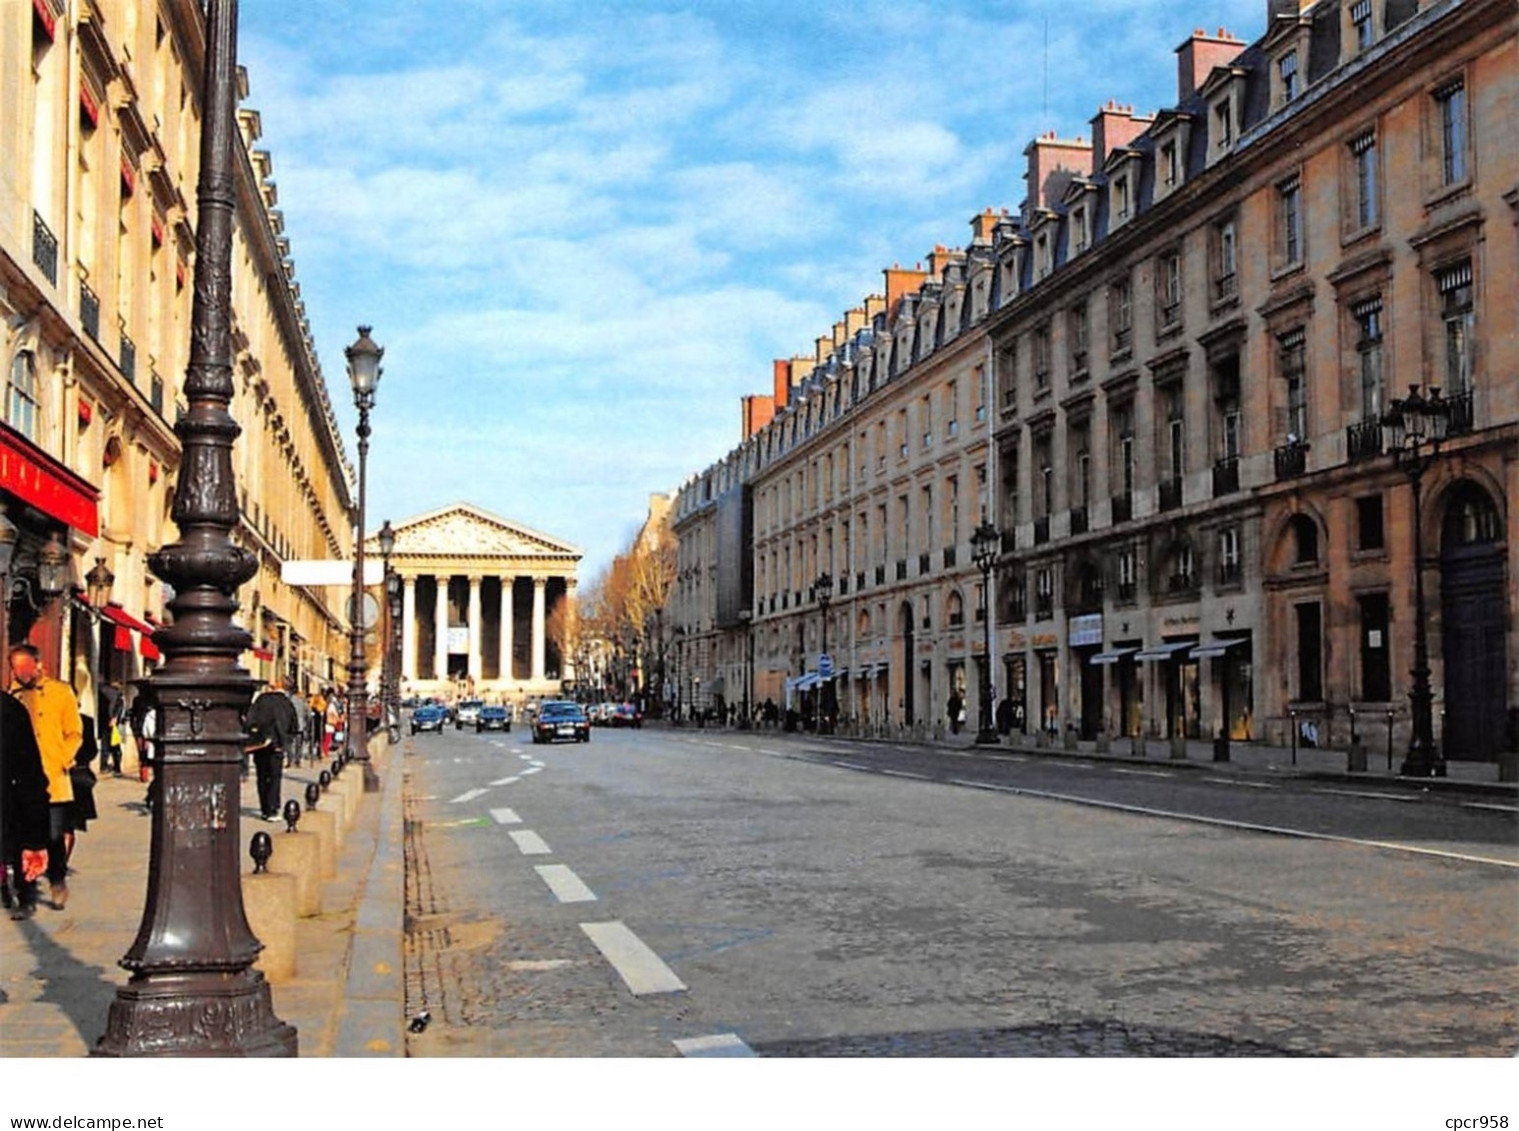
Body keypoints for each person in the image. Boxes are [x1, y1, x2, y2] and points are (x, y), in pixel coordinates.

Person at [8, 643, 83, 910]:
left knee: (53, 835)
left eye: (24, 666)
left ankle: (57, 877)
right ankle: (26, 894)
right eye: (15, 668)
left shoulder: (61, 693)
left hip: (54, 777)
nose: (20, 673)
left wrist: (62, 758)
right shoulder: (13, 697)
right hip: (20, 782)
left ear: (38, 664)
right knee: (21, 837)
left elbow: (75, 732)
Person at [1, 689, 52, 919]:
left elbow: (29, 776)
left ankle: (26, 896)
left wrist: (34, 840)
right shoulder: (11, 708)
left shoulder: (9, 711)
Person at [244, 680, 299, 822]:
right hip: (277, 745)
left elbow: (250, 720)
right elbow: (294, 725)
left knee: (262, 776)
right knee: (275, 777)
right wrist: (285, 741)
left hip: (261, 744)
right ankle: (273, 809)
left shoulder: (261, 700)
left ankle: (264, 808)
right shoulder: (286, 703)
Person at [99, 679, 126, 775]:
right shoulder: (117, 695)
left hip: (105, 722)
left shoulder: (103, 692)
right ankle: (117, 767)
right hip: (113, 724)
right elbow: (117, 707)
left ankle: (104, 766)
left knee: (105, 745)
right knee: (115, 746)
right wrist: (114, 718)